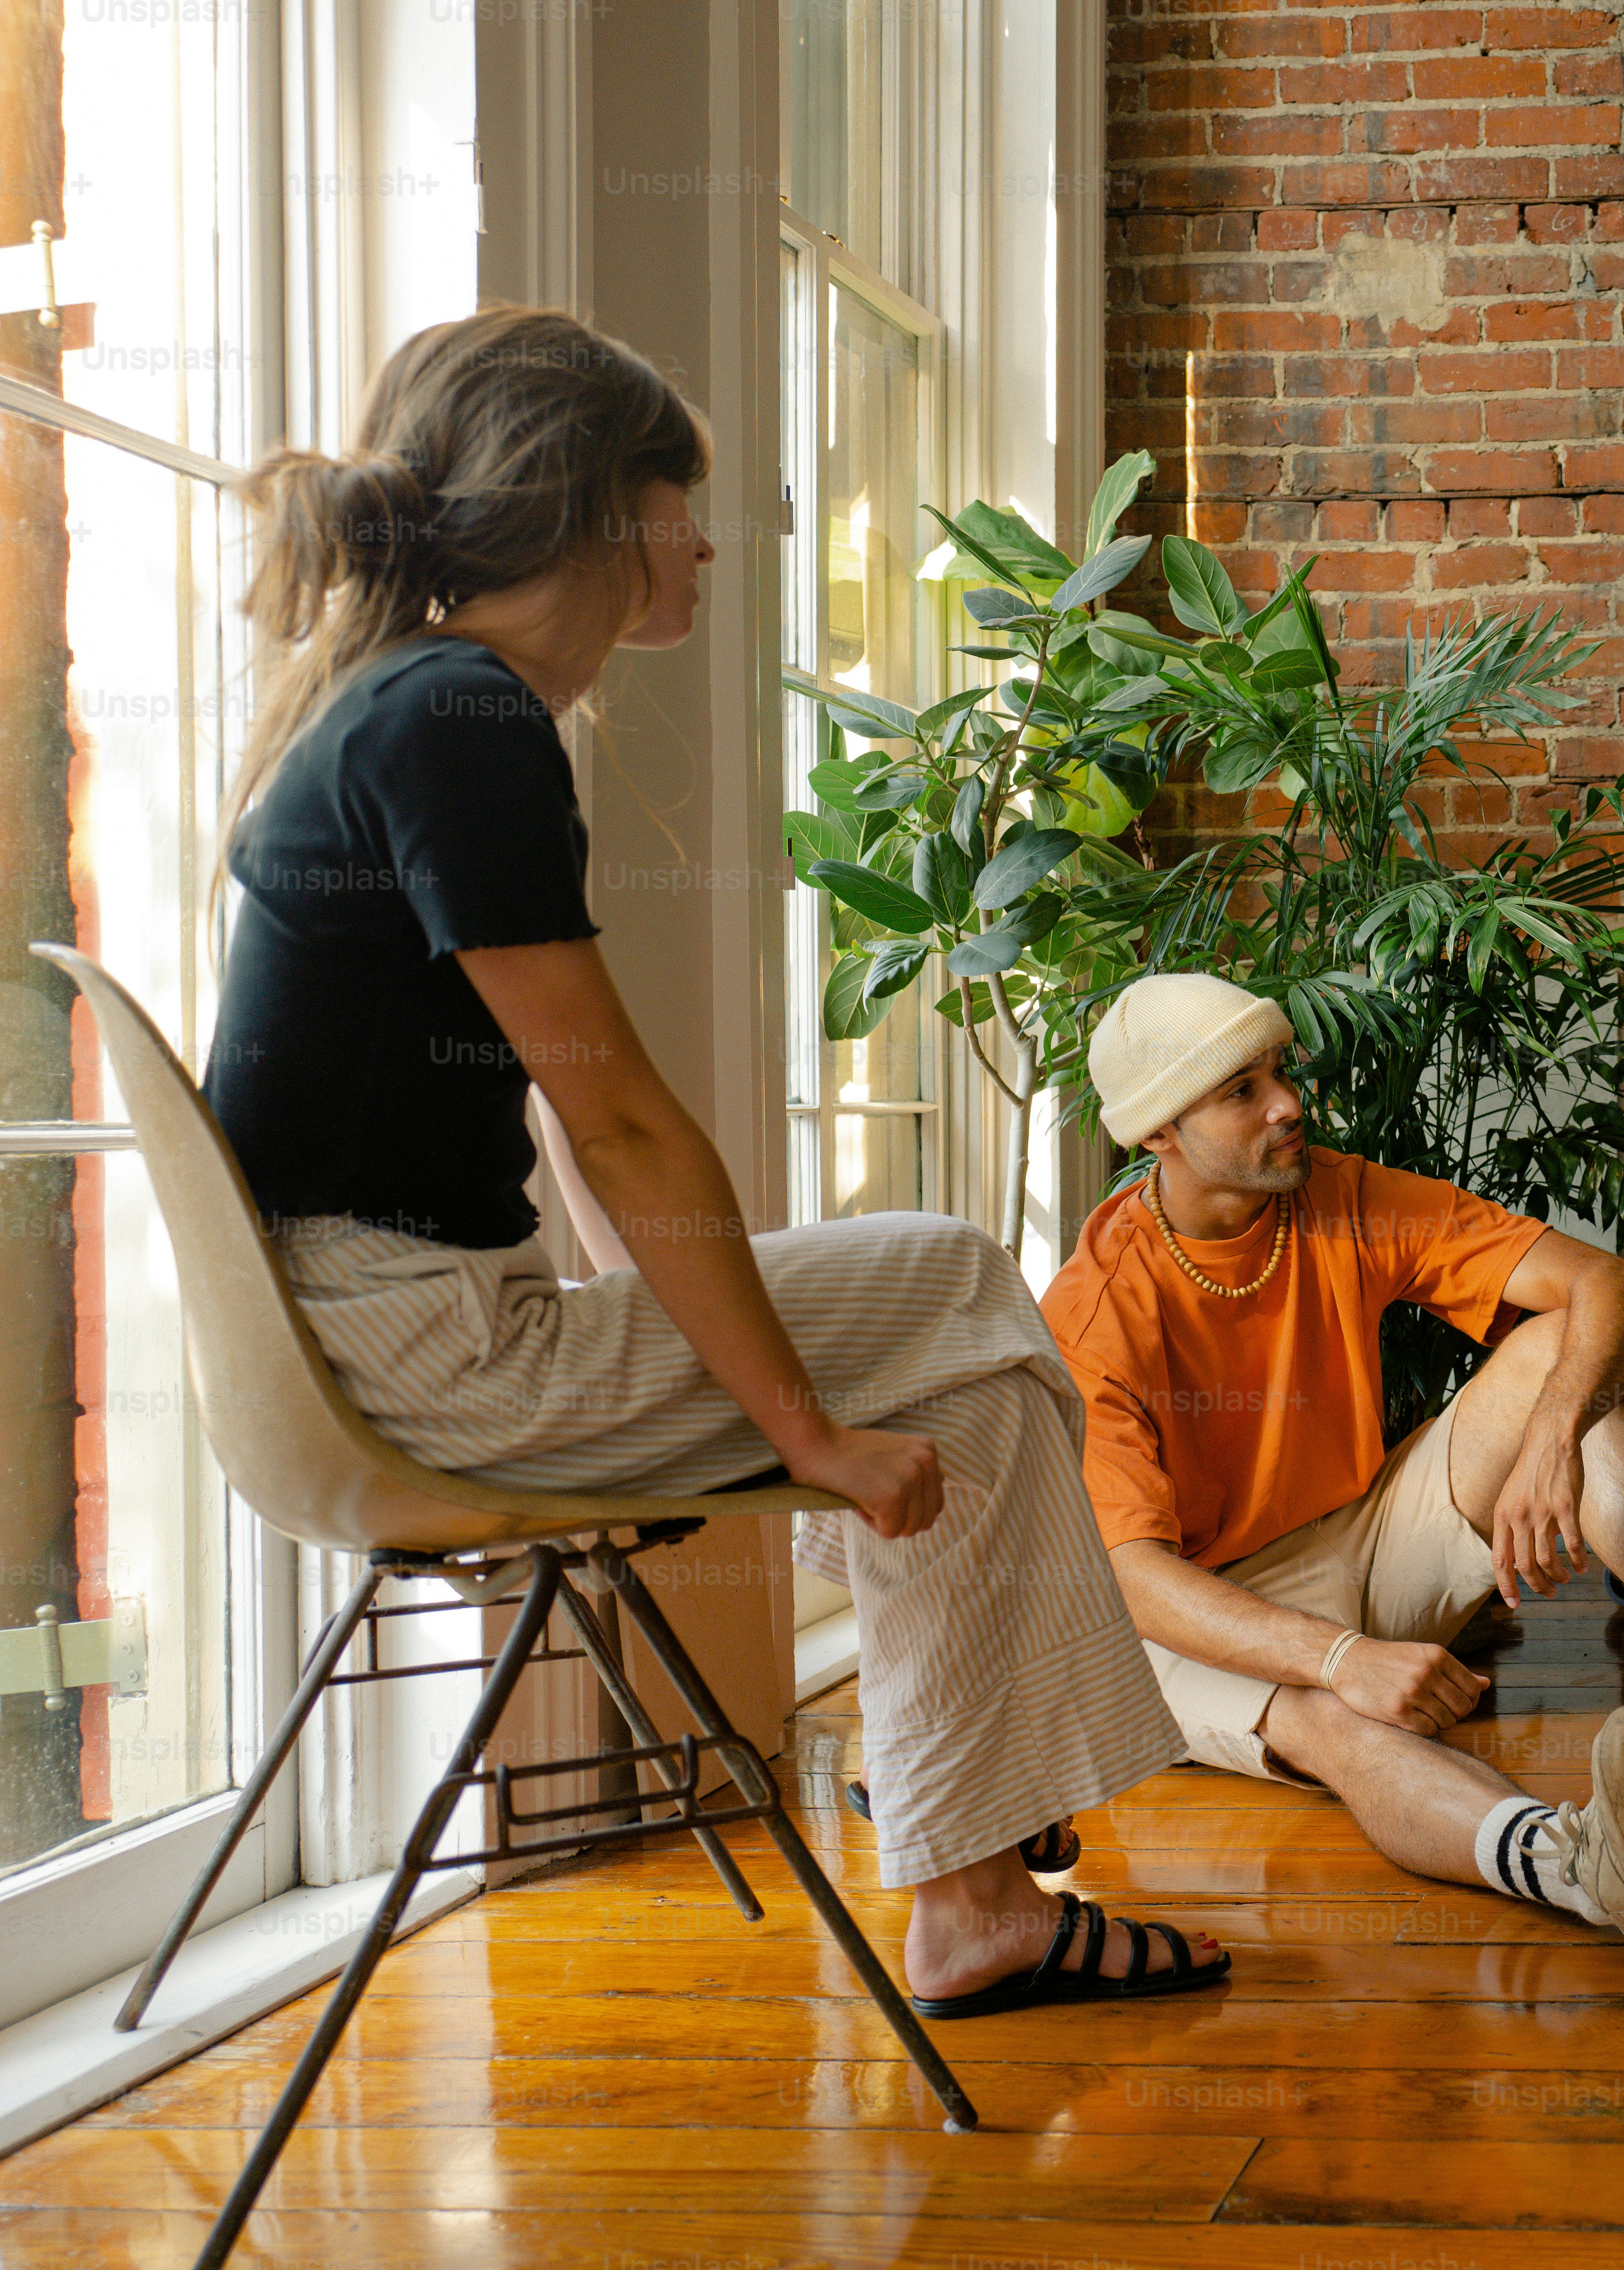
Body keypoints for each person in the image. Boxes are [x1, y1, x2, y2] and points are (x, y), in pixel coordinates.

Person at [201, 307, 1216, 2017]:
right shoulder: (466, 720)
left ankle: (974, 1860)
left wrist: (734, 1373)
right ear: (603, 504)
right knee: (964, 1284)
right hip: (423, 1365)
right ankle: (979, 1828)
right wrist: (802, 1430)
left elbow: (562, 1118)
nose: (707, 541)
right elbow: (619, 1121)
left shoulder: (401, 701)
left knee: (957, 1387)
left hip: (378, 1339)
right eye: (685, 498)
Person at [1043, 974, 1624, 1955]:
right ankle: (1580, 1866)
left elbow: (1614, 1289)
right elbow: (1135, 1578)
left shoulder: (1341, 1195)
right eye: (1242, 1092)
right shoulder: (1099, 1309)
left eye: (1279, 1071)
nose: (1289, 1105)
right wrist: (1339, 1660)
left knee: (1565, 1360)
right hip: (1184, 1625)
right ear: (1158, 1134)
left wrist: (1550, 1439)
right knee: (1335, 1726)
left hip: (1350, 1539)